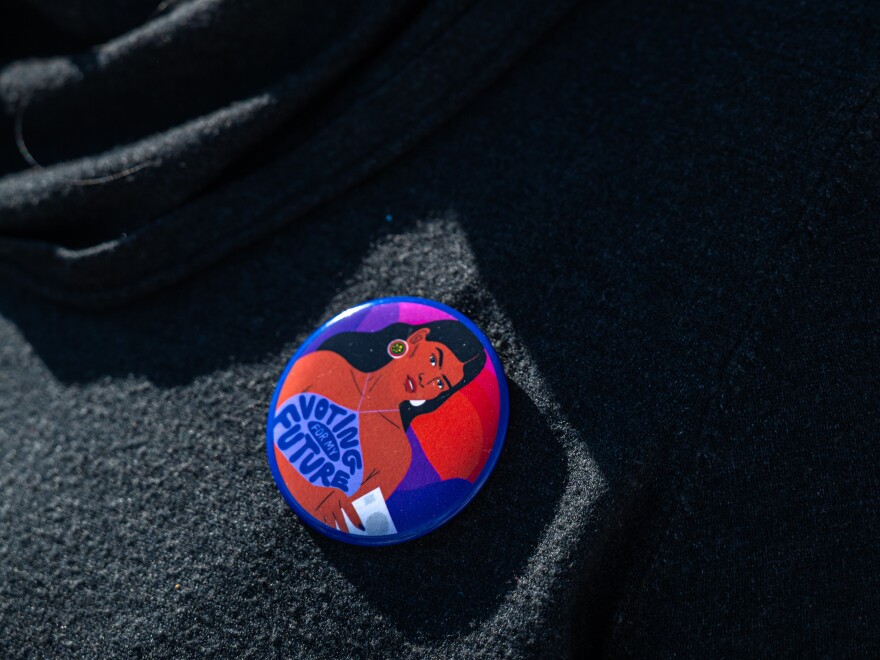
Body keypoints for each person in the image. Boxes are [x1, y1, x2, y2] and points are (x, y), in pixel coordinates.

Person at [271, 320, 486, 533]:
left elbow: (355, 524)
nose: (427, 380)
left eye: (441, 383)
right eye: (432, 360)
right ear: (417, 338)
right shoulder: (327, 366)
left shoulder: (396, 455)